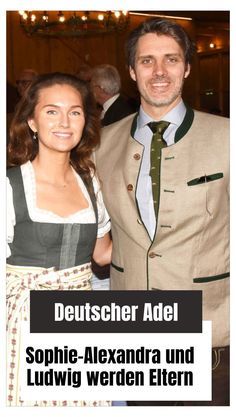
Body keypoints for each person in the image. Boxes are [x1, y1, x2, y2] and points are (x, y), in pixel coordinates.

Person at [95, 18, 229, 406]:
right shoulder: (100, 144)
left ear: (186, 67)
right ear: (132, 70)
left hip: (211, 339)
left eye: (171, 59)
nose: (159, 72)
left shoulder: (226, 137)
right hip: (135, 341)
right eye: (147, 60)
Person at [7, 72, 112, 407]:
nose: (65, 122)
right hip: (23, 321)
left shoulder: (89, 180)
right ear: (32, 122)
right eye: (52, 111)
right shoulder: (9, 186)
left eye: (75, 112)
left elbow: (104, 253)